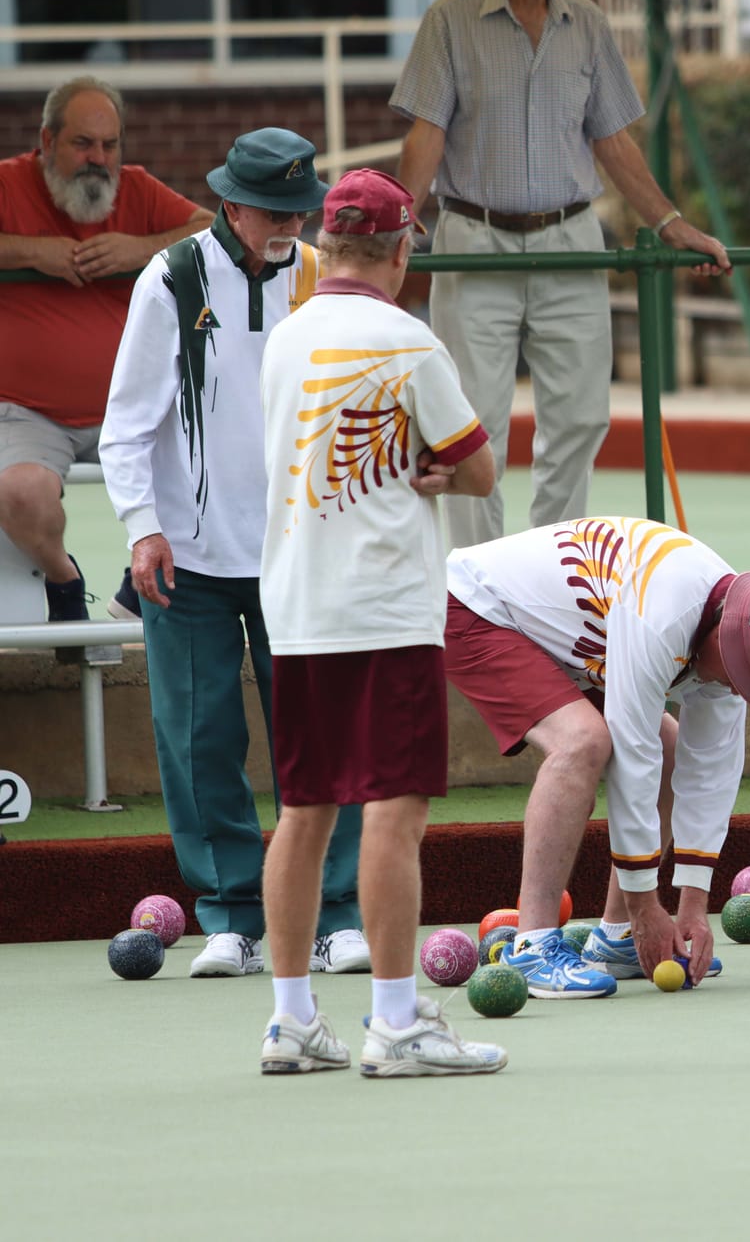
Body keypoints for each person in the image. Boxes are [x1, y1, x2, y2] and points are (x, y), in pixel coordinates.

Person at [98, 128, 369, 981]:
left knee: (319, 733)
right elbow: (126, 423)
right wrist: (142, 525)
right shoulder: (170, 279)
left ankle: (333, 912)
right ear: (232, 205)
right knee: (198, 735)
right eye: (276, 211)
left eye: (301, 209)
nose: (292, 225)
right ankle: (230, 916)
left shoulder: (323, 276)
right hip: (188, 554)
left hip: (303, 549)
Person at [256, 167, 506, 1077]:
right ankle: (397, 1021)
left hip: (297, 606)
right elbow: (477, 468)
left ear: (326, 247)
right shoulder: (409, 341)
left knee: (303, 811)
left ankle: (290, 1020)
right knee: (394, 813)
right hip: (387, 609)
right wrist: (434, 471)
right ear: (401, 250)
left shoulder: (285, 339)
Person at [390, 0, 731, 551]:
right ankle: (476, 582)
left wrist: (671, 223)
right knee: (471, 425)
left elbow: (614, 142)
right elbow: (425, 135)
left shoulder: (588, 24)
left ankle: (549, 572)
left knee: (581, 417)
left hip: (571, 240)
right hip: (475, 239)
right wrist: (399, 227)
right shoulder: (450, 21)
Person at [443, 518, 750, 997]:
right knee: (582, 742)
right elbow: (632, 759)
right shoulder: (662, 614)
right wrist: (647, 905)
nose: (734, 689)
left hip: (574, 635)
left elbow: (711, 772)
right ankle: (532, 944)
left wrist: (692, 904)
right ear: (722, 638)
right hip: (476, 607)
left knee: (669, 749)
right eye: (737, 677)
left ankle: (616, 937)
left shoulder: (739, 639)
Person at [0, 75, 210, 626]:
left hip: (133, 404)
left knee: (212, 471)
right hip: (29, 412)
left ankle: (133, 593)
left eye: (110, 145)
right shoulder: (8, 183)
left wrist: (140, 250)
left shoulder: (137, 189)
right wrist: (32, 254)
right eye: (82, 144)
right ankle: (65, 583)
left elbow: (212, 234)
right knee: (18, 493)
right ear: (47, 141)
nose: (99, 159)